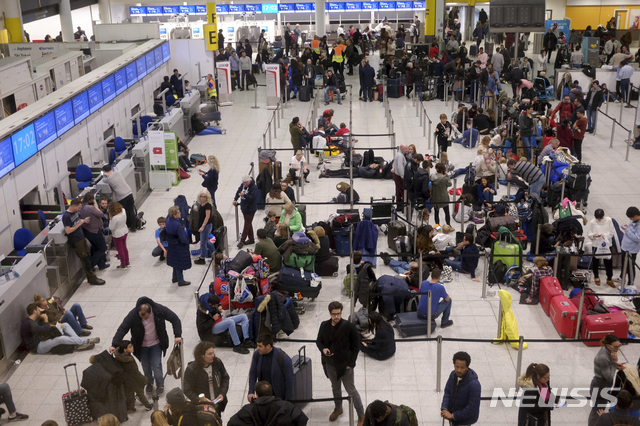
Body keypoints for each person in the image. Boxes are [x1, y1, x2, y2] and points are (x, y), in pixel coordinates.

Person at [110, 297, 182, 396]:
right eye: (142, 317)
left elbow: (174, 318)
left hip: (156, 343)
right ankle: (149, 382)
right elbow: (122, 328)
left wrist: (177, 335)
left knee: (156, 365)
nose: (144, 319)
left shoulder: (159, 310)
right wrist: (114, 344)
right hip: (141, 346)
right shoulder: (133, 314)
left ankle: (160, 383)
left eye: (147, 317)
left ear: (151, 311)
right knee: (145, 366)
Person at [316, 301, 365, 425]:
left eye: (338, 314)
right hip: (330, 364)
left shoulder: (349, 327)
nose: (336, 317)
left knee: (351, 391)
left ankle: (361, 414)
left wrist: (351, 364)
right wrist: (323, 349)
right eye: (334, 314)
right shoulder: (324, 326)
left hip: (345, 364)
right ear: (329, 313)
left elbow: (355, 346)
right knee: (335, 387)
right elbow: (319, 341)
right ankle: (338, 408)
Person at [21, 303, 96, 354]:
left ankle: (78, 343)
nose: (39, 311)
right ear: (34, 311)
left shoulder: (30, 321)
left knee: (65, 325)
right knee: (60, 339)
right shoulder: (29, 324)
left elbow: (43, 329)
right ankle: (86, 341)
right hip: (38, 347)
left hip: (42, 339)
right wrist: (46, 319)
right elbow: (45, 329)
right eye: (38, 309)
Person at [62, 198, 105, 286]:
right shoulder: (66, 216)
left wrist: (84, 221)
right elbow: (68, 231)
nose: (79, 209)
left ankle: (92, 277)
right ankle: (92, 279)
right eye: (78, 207)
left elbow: (78, 221)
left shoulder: (75, 213)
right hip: (76, 241)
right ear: (73, 206)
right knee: (85, 260)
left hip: (81, 238)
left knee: (88, 257)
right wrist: (79, 224)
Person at [229, 381, 308, 426]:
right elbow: (302, 419)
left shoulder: (247, 410)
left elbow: (232, 423)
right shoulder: (285, 406)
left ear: (257, 395)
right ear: (271, 393)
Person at [183, 341, 230, 413]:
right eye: (210, 354)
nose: (213, 355)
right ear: (202, 356)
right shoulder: (191, 370)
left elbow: (225, 378)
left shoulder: (217, 362)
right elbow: (187, 389)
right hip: (201, 408)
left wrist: (222, 393)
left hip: (217, 404)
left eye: (213, 352)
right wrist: (198, 400)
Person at [248, 334, 294, 402]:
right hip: (263, 396)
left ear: (268, 346)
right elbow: (253, 372)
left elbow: (289, 381)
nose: (257, 348)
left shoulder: (283, 358)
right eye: (257, 345)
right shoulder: (257, 354)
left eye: (260, 346)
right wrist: (251, 391)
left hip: (278, 397)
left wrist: (288, 401)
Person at [588, 335, 621, 426]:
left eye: (619, 345)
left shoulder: (609, 351)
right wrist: (615, 362)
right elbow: (609, 377)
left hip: (603, 384)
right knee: (597, 411)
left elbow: (609, 368)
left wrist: (616, 365)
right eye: (615, 346)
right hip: (600, 385)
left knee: (599, 408)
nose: (618, 348)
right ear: (608, 345)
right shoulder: (603, 357)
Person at [441, 351, 481, 425]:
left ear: (467, 367)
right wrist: (444, 408)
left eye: (462, 367)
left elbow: (471, 409)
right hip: (452, 418)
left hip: (464, 422)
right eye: (457, 367)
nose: (459, 370)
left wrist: (453, 415)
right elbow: (447, 392)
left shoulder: (474, 385)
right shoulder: (453, 375)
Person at [114, 340, 153, 412]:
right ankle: (148, 406)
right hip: (133, 380)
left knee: (129, 393)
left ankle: (130, 407)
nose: (132, 347)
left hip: (125, 379)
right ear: (125, 350)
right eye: (130, 347)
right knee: (140, 392)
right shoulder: (129, 361)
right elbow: (135, 373)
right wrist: (144, 379)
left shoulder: (119, 356)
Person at [586, 209, 617, 288]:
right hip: (596, 244)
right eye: (597, 218)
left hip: (607, 244)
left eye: (600, 218)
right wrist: (594, 235)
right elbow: (589, 233)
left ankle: (609, 278)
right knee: (595, 261)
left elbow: (612, 232)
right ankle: (596, 276)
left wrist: (604, 236)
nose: (599, 220)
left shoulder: (609, 220)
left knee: (608, 261)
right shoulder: (593, 222)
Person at [101, 165, 137, 232]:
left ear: (104, 171)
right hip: (129, 192)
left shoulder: (108, 179)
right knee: (130, 211)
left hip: (121, 196)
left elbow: (103, 180)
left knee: (122, 212)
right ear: (111, 169)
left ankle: (125, 226)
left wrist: (105, 175)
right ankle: (133, 227)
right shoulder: (118, 172)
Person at [79, 193, 109, 271]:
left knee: (96, 248)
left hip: (87, 231)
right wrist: (95, 206)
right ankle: (90, 265)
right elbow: (101, 214)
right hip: (95, 231)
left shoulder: (82, 207)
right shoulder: (90, 208)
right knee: (103, 248)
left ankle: (101, 265)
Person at [164, 206, 191, 286]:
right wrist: (187, 242)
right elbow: (183, 238)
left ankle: (174, 277)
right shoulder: (177, 225)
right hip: (179, 245)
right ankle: (181, 280)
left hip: (172, 244)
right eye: (178, 212)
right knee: (179, 263)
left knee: (174, 262)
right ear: (174, 215)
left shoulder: (168, 220)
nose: (180, 213)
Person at [233, 176, 259, 248]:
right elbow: (238, 191)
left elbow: (252, 198)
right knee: (248, 223)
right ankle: (251, 239)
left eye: (246, 182)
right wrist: (235, 199)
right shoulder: (243, 185)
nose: (245, 184)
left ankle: (242, 240)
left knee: (247, 224)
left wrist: (244, 195)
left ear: (250, 181)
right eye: (243, 182)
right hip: (244, 207)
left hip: (251, 208)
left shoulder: (254, 187)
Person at [193, 190, 216, 265]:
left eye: (204, 196)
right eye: (201, 196)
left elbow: (207, 216)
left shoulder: (207, 205)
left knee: (203, 243)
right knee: (205, 240)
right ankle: (214, 253)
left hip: (206, 225)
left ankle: (202, 258)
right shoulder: (201, 204)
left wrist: (203, 226)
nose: (202, 198)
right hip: (203, 225)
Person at [619, 206, 640, 287]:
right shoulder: (634, 221)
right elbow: (631, 228)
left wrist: (627, 230)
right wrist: (627, 227)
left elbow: (637, 238)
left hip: (631, 250)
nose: (631, 220)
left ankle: (630, 284)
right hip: (625, 247)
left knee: (630, 268)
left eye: (631, 218)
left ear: (635, 216)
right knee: (624, 265)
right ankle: (622, 279)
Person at [108, 201, 129, 269]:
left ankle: (123, 264)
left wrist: (110, 219)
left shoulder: (115, 218)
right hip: (124, 230)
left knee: (120, 249)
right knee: (124, 247)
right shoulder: (123, 210)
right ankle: (127, 262)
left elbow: (111, 227)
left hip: (117, 234)